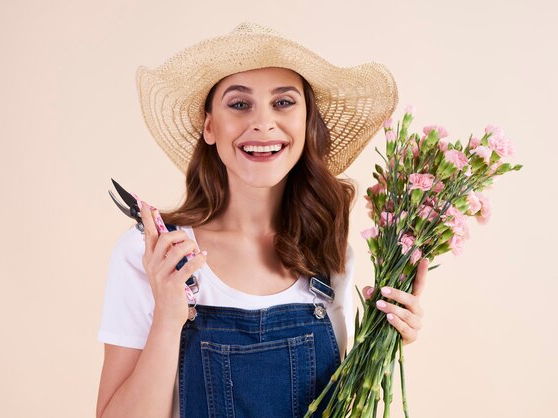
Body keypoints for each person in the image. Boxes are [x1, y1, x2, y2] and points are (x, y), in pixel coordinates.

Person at [96, 23, 428, 418]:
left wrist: (382, 341)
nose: (263, 123)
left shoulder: (330, 255)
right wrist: (168, 319)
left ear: (308, 123)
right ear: (209, 126)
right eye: (239, 104)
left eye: (284, 103)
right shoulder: (153, 254)